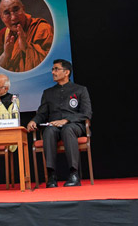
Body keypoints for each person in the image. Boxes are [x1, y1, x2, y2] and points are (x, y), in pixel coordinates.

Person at [27, 59, 92, 187]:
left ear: (66, 72)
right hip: (54, 126)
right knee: (49, 131)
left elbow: (86, 113)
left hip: (74, 125)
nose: (53, 72)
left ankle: (74, 174)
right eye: (53, 69)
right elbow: (42, 113)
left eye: (56, 69)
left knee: (68, 129)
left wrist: (66, 120)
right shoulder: (48, 92)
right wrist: (34, 120)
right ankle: (51, 175)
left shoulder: (80, 90)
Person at [0, 0, 53, 72]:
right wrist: (5, 55)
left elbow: (52, 65)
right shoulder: (2, 35)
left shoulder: (43, 29)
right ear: (1, 17)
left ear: (23, 9)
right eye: (7, 13)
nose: (13, 17)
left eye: (16, 10)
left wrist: (26, 47)